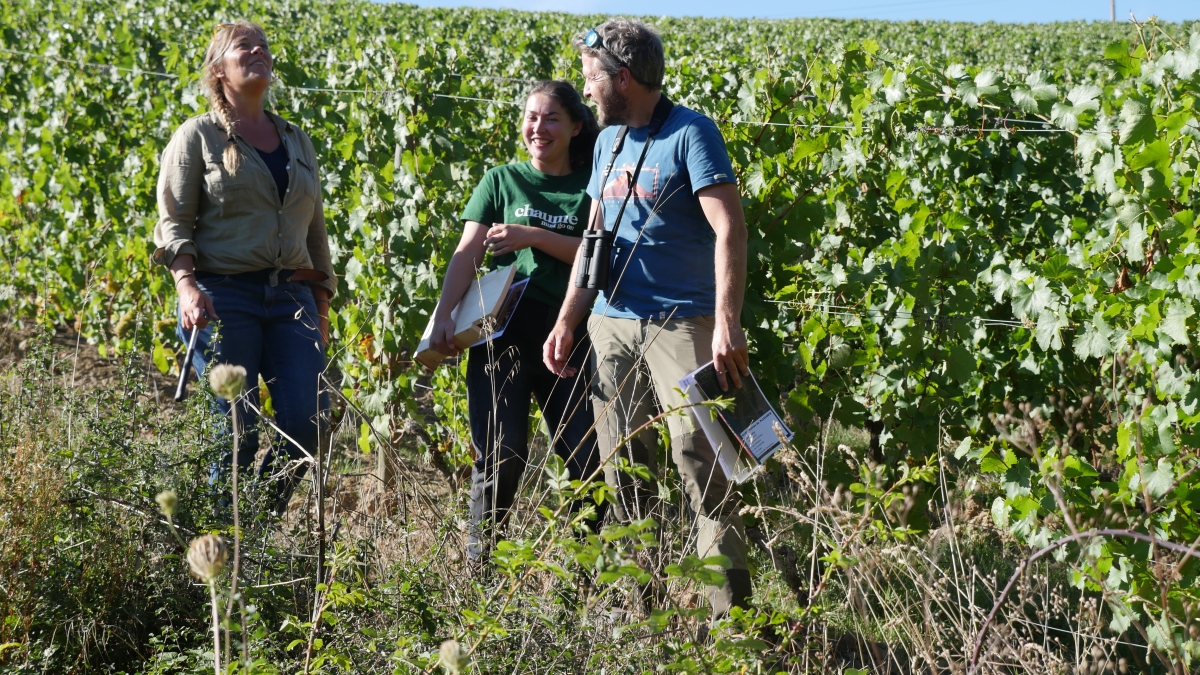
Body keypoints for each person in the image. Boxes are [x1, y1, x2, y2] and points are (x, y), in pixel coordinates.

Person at [543, 18, 753, 618]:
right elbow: (593, 237)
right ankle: (644, 616)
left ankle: (730, 626)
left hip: (684, 322)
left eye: (591, 79)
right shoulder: (606, 143)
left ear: (623, 78)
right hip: (610, 324)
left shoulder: (692, 133)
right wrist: (568, 320)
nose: (585, 91)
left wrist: (726, 321)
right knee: (623, 471)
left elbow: (728, 227)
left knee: (704, 468)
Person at [153, 21, 335, 513]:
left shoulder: (297, 141)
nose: (257, 51)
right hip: (223, 296)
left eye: (263, 46)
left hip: (293, 299)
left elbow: (313, 233)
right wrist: (186, 284)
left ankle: (256, 523)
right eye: (243, 47)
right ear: (218, 70)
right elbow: (173, 220)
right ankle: (223, 533)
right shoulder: (198, 136)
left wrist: (321, 303)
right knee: (236, 430)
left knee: (308, 423)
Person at [429, 81, 603, 560]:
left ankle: (581, 581)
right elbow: (467, 253)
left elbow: (596, 254)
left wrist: (533, 235)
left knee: (586, 459)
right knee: (500, 457)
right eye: (531, 117)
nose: (538, 128)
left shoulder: (591, 186)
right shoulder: (500, 181)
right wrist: (443, 317)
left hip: (569, 331)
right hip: (501, 330)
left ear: (575, 126)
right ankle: (481, 576)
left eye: (550, 118)